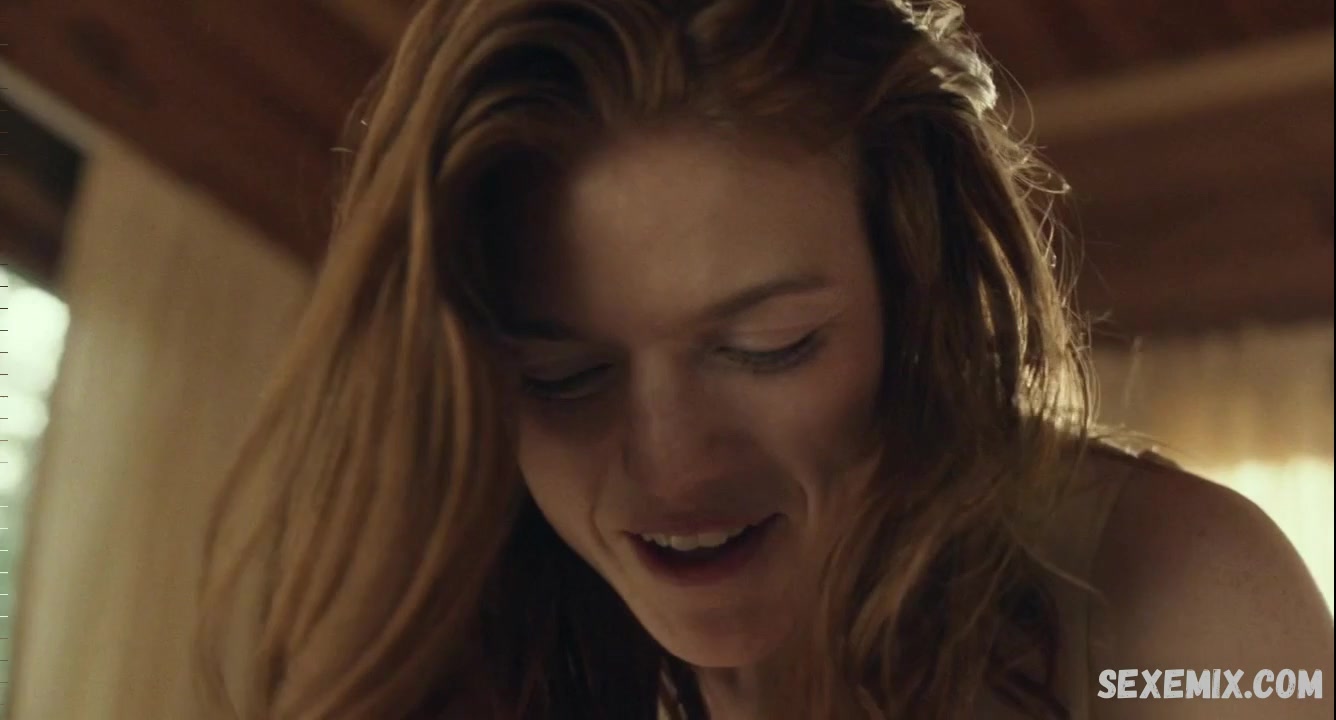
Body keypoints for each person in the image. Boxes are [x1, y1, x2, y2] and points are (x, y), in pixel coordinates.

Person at [193, 1, 1335, 718]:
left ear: (909, 292)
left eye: (767, 348)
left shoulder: (1179, 603)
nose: (672, 466)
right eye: (563, 376)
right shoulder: (450, 646)